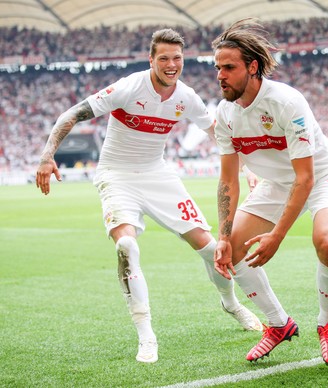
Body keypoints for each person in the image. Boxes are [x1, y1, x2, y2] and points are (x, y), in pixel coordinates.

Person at [35, 28, 262, 364]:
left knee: (212, 248)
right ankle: (146, 335)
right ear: (151, 60)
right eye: (164, 58)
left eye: (177, 58)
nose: (172, 65)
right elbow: (71, 115)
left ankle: (231, 304)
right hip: (117, 176)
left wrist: (246, 167)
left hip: (159, 175)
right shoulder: (129, 87)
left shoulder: (186, 97)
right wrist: (47, 155)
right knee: (126, 246)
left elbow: (215, 131)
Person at [211, 18, 328, 365]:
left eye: (228, 67)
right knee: (232, 250)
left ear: (253, 67)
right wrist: (224, 235)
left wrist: (277, 235)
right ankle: (278, 324)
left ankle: (326, 324)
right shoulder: (225, 114)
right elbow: (228, 180)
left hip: (321, 175)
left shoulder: (287, 102)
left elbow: (305, 178)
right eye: (217, 68)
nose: (220, 75)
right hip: (276, 184)